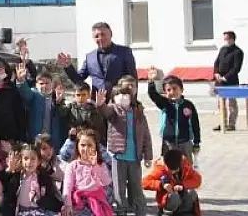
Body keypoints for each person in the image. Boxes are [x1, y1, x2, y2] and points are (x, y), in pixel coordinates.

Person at [96, 86, 152, 216]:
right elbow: (105, 112)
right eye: (118, 95)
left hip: (135, 158)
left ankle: (140, 210)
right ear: (114, 98)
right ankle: (121, 211)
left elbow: (146, 136)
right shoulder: (114, 111)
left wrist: (148, 156)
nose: (122, 97)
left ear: (131, 97)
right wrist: (100, 104)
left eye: (125, 94)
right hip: (118, 157)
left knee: (136, 187)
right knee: (119, 188)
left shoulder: (139, 114)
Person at [57, 22, 137, 100]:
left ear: (111, 34)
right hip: (97, 103)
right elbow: (79, 80)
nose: (100, 38)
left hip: (120, 102)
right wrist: (68, 67)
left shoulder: (124, 52)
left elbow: (133, 79)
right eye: (96, 36)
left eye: (103, 34)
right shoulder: (90, 57)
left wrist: (133, 102)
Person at [146, 69, 201, 163]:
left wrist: (196, 142)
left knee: (186, 167)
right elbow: (153, 95)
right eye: (168, 90)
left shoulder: (188, 105)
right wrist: (151, 81)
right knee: (168, 167)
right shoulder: (165, 104)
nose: (172, 92)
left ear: (182, 90)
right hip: (168, 143)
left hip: (185, 143)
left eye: (175, 88)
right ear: (165, 92)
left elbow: (195, 124)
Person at [62, 129, 113, 216]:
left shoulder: (101, 164)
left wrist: (95, 166)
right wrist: (68, 205)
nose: (86, 148)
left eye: (90, 145)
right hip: (78, 202)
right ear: (77, 146)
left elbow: (106, 182)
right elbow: (67, 187)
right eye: (82, 145)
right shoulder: (72, 166)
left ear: (95, 147)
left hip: (97, 202)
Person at [141, 149, 202, 216]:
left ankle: (185, 213)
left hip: (183, 197)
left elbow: (197, 180)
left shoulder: (185, 164)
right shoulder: (160, 168)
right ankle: (167, 213)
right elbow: (144, 182)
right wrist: (162, 185)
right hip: (169, 199)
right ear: (166, 165)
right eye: (171, 170)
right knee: (174, 196)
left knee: (191, 192)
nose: (173, 172)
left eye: (176, 170)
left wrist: (183, 185)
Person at [213, 30, 244, 131]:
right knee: (220, 104)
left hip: (231, 81)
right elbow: (217, 62)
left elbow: (236, 68)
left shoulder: (238, 52)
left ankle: (231, 124)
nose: (225, 40)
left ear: (232, 39)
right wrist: (216, 73)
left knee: (232, 104)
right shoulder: (222, 49)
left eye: (226, 39)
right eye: (224, 39)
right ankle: (223, 123)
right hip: (220, 81)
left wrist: (225, 77)